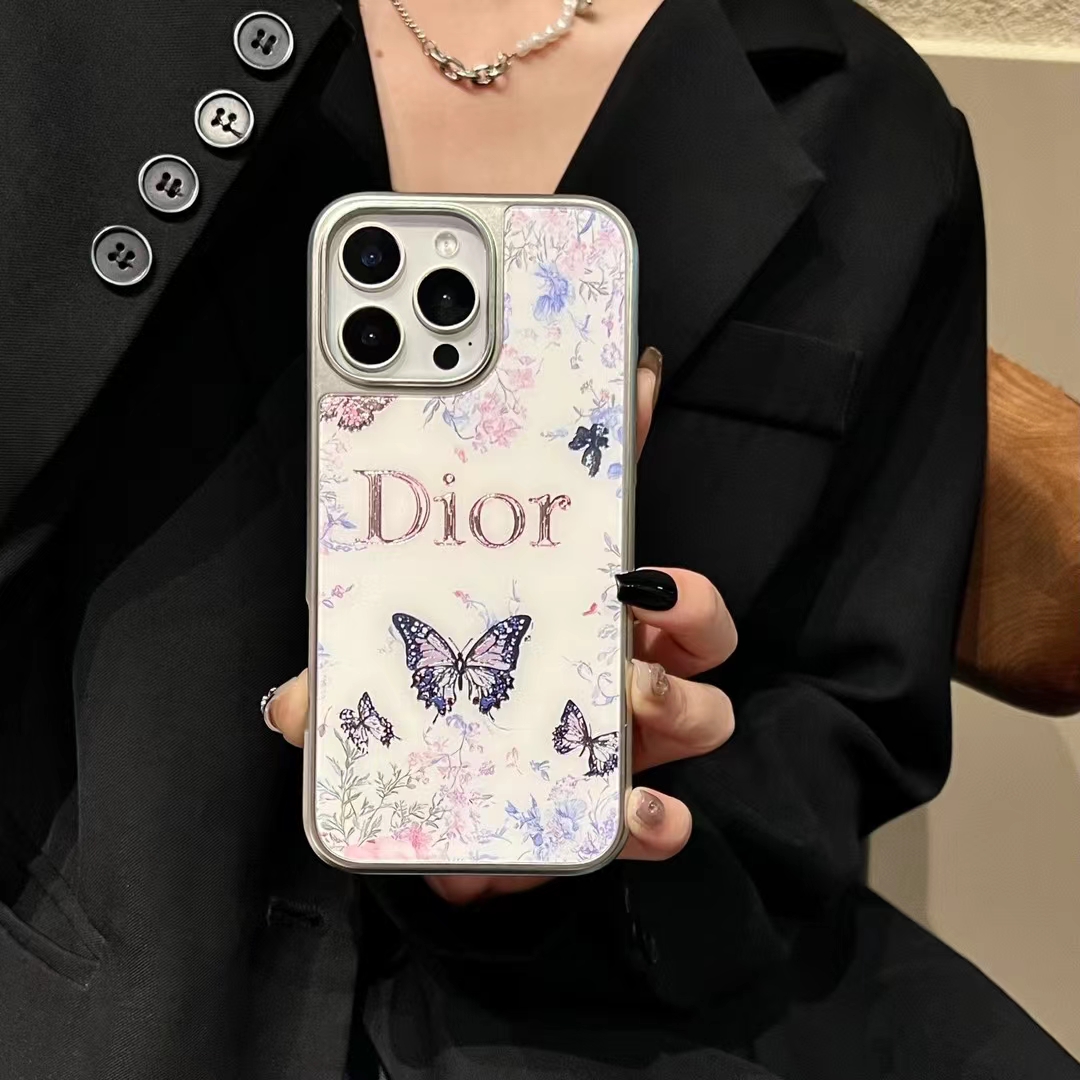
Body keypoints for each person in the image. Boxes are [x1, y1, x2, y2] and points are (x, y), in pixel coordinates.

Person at [1, 0, 1077, 1077]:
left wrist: (615, 829)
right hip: (99, 958)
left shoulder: (868, 124)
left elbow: (849, 712)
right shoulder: (100, 33)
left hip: (619, 997)